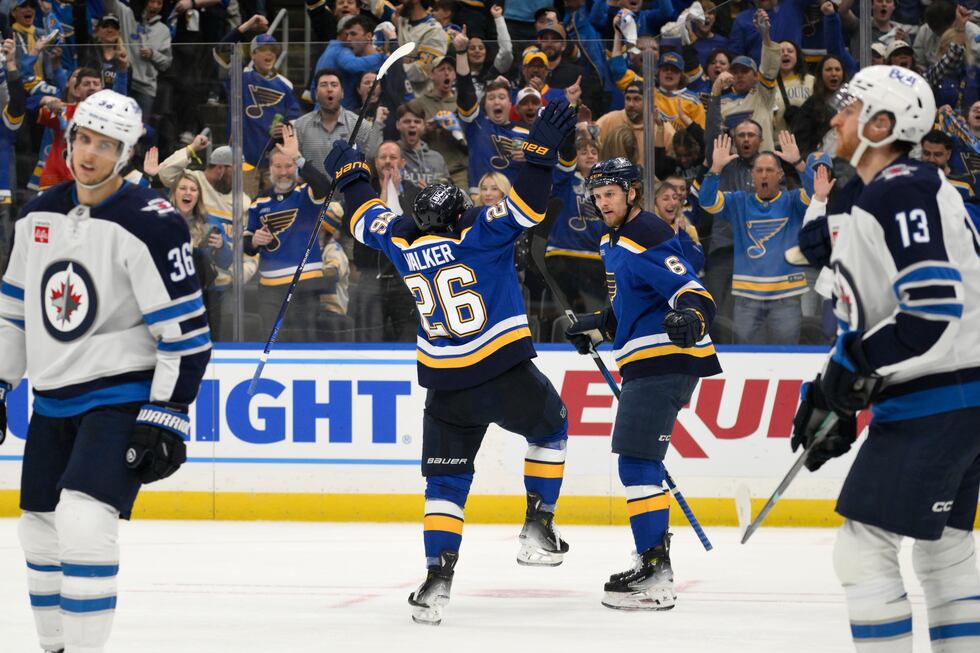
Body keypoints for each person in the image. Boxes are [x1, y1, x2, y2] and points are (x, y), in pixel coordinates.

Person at [325, 100, 578, 626]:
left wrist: (351, 175)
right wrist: (539, 154)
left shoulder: (402, 240)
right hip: (503, 370)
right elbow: (529, 206)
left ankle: (436, 580)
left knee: (445, 486)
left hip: (445, 387)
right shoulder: (479, 233)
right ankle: (538, 524)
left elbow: (364, 217)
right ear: (459, 215)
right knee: (552, 427)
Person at [0, 89, 210, 653]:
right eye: (84, 139)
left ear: (127, 153)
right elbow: (13, 312)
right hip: (51, 399)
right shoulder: (38, 213)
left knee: (84, 522)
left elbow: (187, 336)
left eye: (106, 145)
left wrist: (167, 412)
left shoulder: (153, 223)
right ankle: (55, 647)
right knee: (39, 528)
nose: (90, 153)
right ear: (69, 140)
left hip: (120, 396)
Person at [791, 65, 980, 652]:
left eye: (850, 108)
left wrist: (851, 370)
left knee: (862, 548)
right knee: (946, 548)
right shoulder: (894, 190)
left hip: (937, 398)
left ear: (881, 124)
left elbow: (930, 310)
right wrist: (832, 390)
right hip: (958, 396)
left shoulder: (900, 190)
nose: (837, 119)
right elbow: (878, 313)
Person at [565, 157, 721, 610]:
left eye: (610, 194)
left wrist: (693, 317)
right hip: (644, 362)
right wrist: (597, 327)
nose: (603, 203)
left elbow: (692, 290)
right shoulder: (610, 240)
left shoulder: (646, 231)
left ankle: (655, 572)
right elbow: (628, 306)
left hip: (664, 360)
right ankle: (654, 562)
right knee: (640, 464)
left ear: (632, 193)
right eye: (597, 196)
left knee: (636, 464)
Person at [700, 132, 817, 344]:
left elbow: (817, 192)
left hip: (786, 296)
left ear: (780, 175)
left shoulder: (793, 201)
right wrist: (715, 169)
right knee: (746, 355)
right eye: (759, 170)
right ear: (752, 175)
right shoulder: (739, 202)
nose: (764, 175)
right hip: (747, 297)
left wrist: (798, 163)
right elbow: (707, 201)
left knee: (787, 356)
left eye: (769, 170)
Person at [244, 125, 336, 342]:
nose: (283, 171)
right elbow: (247, 245)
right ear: (270, 168)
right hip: (270, 288)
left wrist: (297, 156)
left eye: (288, 165)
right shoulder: (259, 202)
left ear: (296, 167)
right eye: (278, 166)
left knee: (305, 341)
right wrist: (254, 241)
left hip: (306, 283)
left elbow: (326, 187)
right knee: (272, 342)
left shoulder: (307, 193)